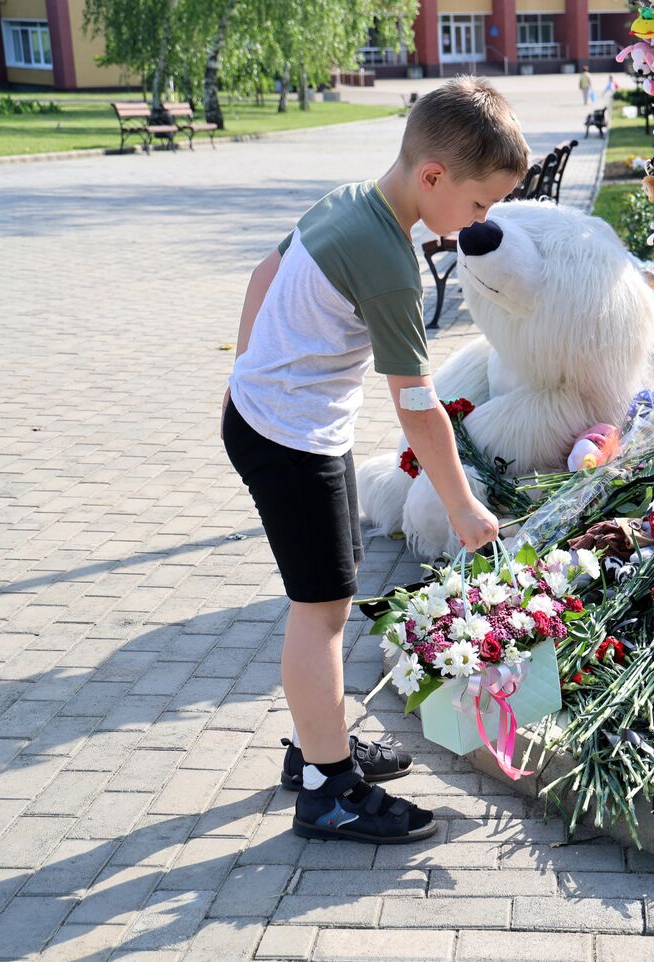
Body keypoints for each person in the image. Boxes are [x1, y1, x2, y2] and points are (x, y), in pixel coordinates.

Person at [221, 77, 527, 845]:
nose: (481, 222)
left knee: (331, 592)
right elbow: (417, 404)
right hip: (289, 437)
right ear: (433, 179)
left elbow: (264, 272)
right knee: (320, 612)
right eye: (481, 205)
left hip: (273, 420)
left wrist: (244, 375)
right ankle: (328, 789)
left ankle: (319, 746)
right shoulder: (389, 262)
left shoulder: (351, 199)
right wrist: (461, 505)